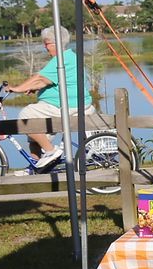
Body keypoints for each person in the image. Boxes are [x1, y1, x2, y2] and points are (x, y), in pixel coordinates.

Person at [7, 27, 94, 169]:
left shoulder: (62, 60)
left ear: (56, 43)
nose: (44, 47)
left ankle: (51, 151)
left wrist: (16, 89)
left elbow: (40, 78)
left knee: (25, 116)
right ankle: (35, 167)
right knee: (34, 136)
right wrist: (36, 87)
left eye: (46, 43)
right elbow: (50, 81)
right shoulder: (68, 57)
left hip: (68, 105)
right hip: (64, 104)